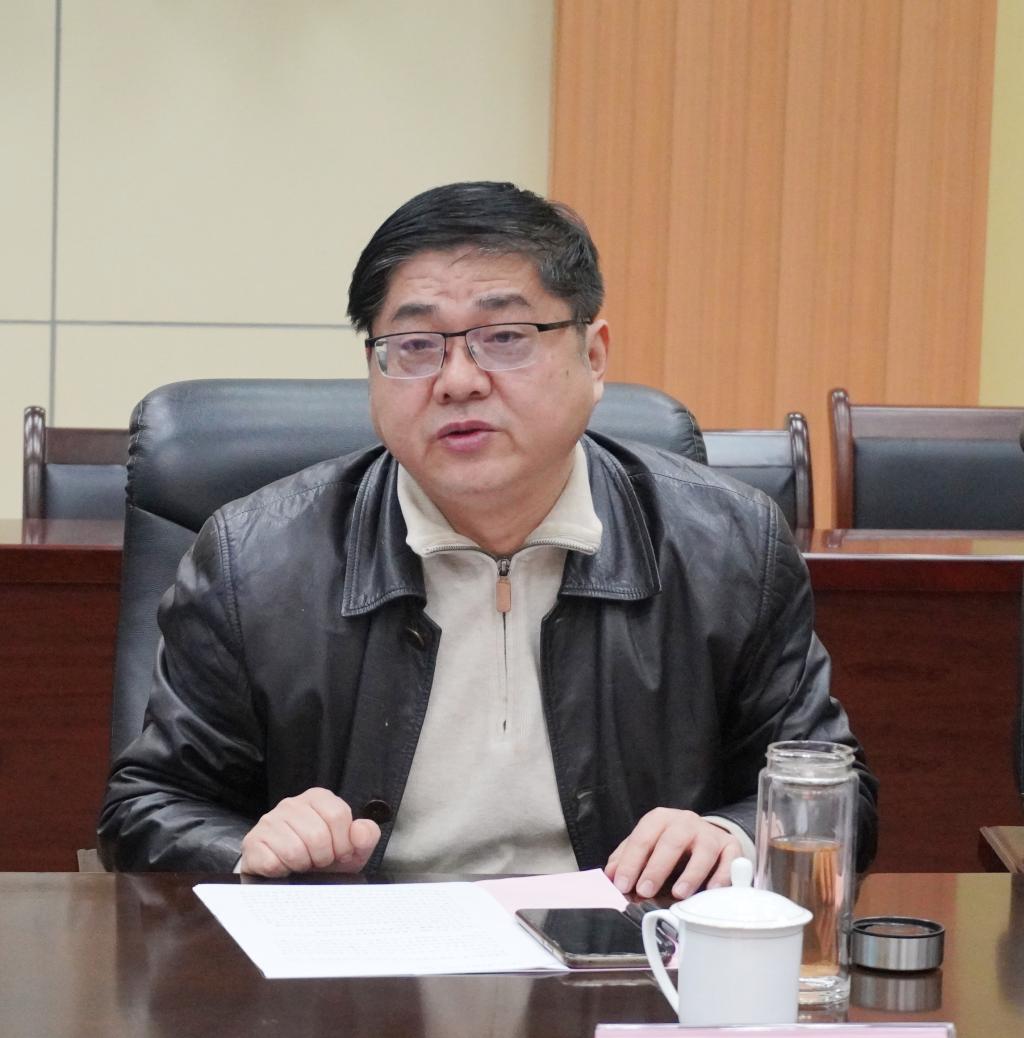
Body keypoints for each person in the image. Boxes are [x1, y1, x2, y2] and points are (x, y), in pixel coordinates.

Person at [98, 181, 877, 894]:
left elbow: (838, 797)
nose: (459, 379)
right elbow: (145, 809)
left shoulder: (729, 547)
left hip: (625, 967)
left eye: (505, 337)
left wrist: (729, 838)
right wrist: (252, 849)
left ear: (594, 356)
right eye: (415, 345)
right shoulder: (256, 559)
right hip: (358, 973)